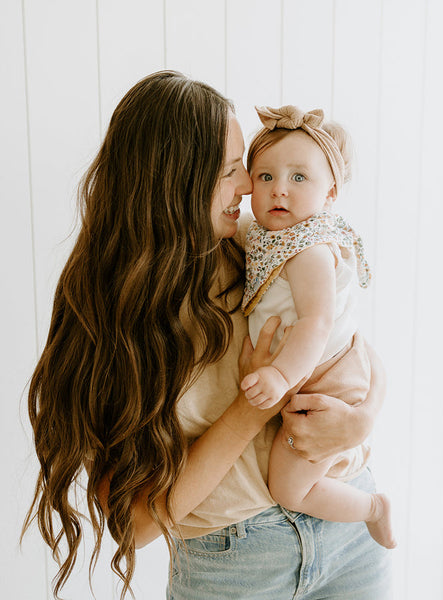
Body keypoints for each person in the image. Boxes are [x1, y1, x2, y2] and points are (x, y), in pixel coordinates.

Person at [23, 71, 391, 600]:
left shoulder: (259, 245)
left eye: (244, 167)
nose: (249, 186)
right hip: (234, 563)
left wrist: (362, 419)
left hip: (349, 526)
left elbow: (351, 345)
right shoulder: (106, 316)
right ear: (171, 184)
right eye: (228, 171)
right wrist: (251, 409)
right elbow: (139, 524)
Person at [240, 105, 396, 551]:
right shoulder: (270, 236)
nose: (279, 191)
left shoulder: (308, 247)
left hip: (325, 378)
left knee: (289, 489)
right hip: (314, 371)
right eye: (265, 177)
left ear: (331, 193)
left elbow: (317, 319)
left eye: (298, 178)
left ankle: (374, 508)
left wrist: (279, 375)